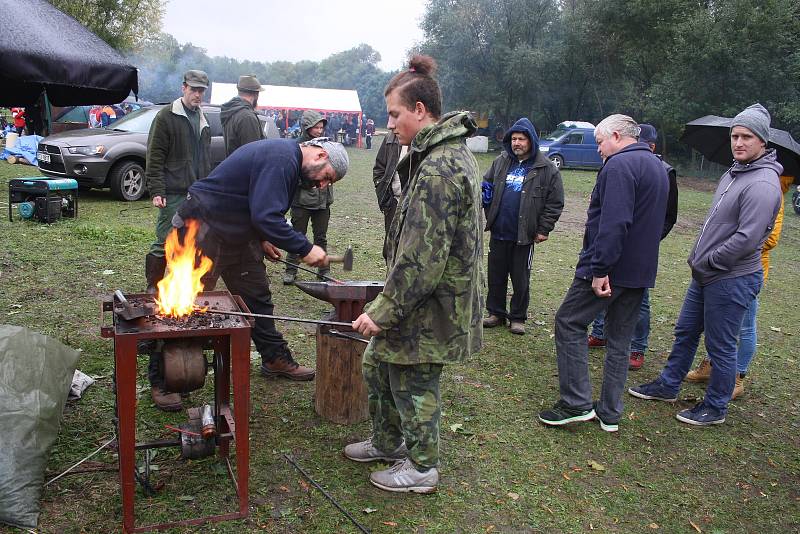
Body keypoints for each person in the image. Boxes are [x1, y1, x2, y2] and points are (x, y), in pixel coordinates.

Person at [345, 55, 483, 494]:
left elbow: (424, 258)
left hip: (431, 303)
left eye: (395, 114)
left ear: (420, 111)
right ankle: (388, 442)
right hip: (417, 297)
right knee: (377, 362)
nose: (390, 124)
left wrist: (384, 309)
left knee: (413, 379)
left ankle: (422, 468)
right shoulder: (432, 156)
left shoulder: (441, 168)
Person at [629, 104, 782, 426]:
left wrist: (709, 260)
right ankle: (668, 385)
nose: (738, 143)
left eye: (747, 137)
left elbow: (747, 238)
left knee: (721, 345)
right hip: (706, 274)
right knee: (685, 331)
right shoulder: (734, 173)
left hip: (731, 277)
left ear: (762, 142)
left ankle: (716, 406)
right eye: (735, 136)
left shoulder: (764, 184)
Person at [175, 137, 349, 382]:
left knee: (257, 298)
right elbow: (266, 216)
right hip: (203, 226)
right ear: (321, 156)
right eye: (328, 177)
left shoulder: (287, 162)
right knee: (183, 302)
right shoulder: (282, 158)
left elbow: (256, 202)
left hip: (238, 232)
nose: (322, 186)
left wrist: (262, 239)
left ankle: (274, 358)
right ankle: (165, 377)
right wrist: (305, 248)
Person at [539, 114, 668, 433]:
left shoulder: (620, 166)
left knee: (569, 321)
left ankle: (576, 403)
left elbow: (615, 223)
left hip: (610, 269)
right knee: (620, 338)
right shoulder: (658, 166)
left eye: (599, 142)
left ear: (617, 136)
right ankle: (610, 412)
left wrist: (600, 270)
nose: (598, 149)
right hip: (639, 272)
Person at [684, 174, 793, 398]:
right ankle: (711, 366)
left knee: (744, 325)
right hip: (722, 269)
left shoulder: (770, 190)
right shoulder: (740, 181)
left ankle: (738, 376)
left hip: (747, 271)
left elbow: (770, 238)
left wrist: (732, 244)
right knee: (719, 324)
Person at [143, 69, 212, 411]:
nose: (198, 95)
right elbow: (154, 154)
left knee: (192, 251)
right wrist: (156, 190)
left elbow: (205, 160)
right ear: (183, 88)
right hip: (170, 194)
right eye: (194, 89)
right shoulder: (166, 117)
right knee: (164, 245)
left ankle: (182, 292)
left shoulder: (202, 120)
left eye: (202, 90)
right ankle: (157, 291)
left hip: (194, 194)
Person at [586, 123, 679, 369]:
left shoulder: (664, 172)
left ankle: (637, 348)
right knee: (601, 292)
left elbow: (668, 216)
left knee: (637, 304)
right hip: (611, 247)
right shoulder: (613, 163)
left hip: (636, 254)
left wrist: (646, 239)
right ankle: (600, 332)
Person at [481, 118, 564, 335]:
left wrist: (544, 228)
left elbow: (555, 202)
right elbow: (486, 186)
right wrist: (489, 211)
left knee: (520, 278)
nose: (517, 143)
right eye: (514, 139)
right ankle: (495, 313)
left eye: (521, 139)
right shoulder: (501, 161)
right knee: (496, 275)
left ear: (531, 141)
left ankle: (517, 317)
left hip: (524, 235)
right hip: (499, 230)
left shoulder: (545, 168)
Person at [283, 110, 333, 284]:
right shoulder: (297, 148)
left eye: (321, 127)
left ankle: (323, 270)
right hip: (301, 201)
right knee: (297, 236)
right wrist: (306, 182)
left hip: (323, 201)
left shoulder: (327, 146)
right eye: (316, 127)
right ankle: (291, 270)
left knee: (321, 237)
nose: (320, 131)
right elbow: (291, 173)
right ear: (307, 128)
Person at [372, 130, 403, 263]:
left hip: (416, 203)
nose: (390, 123)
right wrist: (383, 195)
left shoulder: (423, 138)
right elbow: (379, 168)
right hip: (393, 202)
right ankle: (390, 279)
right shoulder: (390, 138)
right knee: (390, 248)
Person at [220, 74, 265, 156]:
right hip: (244, 167)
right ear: (255, 94)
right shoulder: (247, 117)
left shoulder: (231, 111)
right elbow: (252, 154)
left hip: (234, 164)